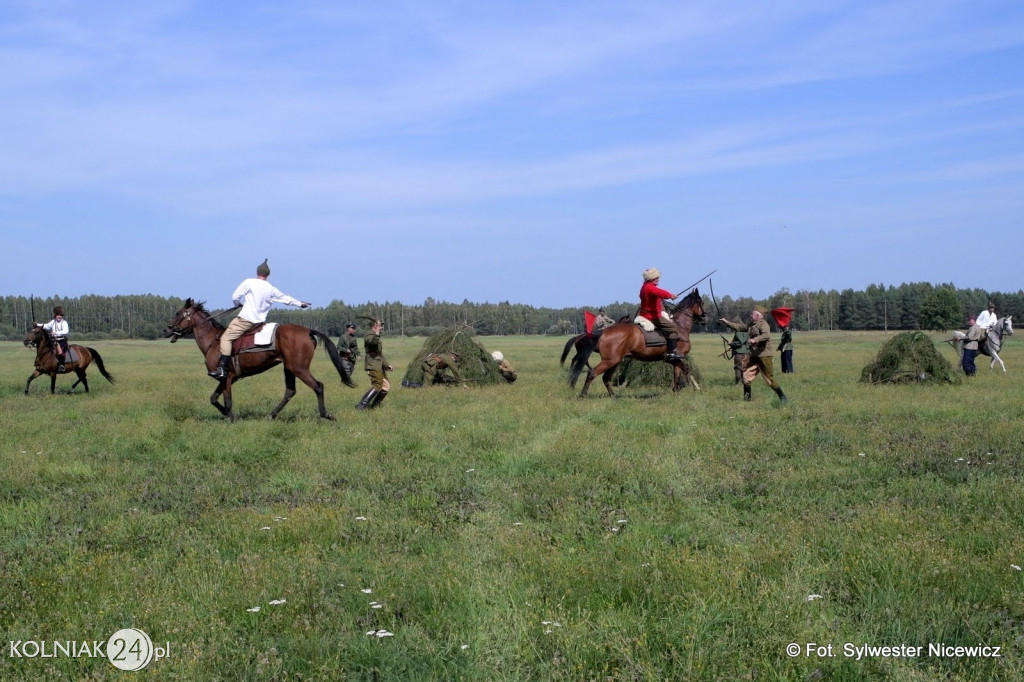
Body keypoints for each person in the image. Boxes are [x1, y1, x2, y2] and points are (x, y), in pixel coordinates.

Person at [209, 259, 311, 379]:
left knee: (226, 338)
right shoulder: (271, 288)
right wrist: (300, 304)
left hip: (245, 320)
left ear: (257, 272)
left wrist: (237, 304)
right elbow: (285, 299)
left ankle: (222, 369)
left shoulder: (249, 282)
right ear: (267, 275)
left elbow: (235, 296)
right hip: (260, 324)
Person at [720, 307, 787, 402]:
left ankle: (782, 397)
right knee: (746, 376)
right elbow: (739, 327)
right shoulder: (751, 324)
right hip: (753, 355)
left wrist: (754, 340)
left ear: (758, 315)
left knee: (769, 379)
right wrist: (726, 322)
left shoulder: (763, 324)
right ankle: (747, 400)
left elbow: (766, 335)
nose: (751, 316)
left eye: (752, 314)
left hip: (763, 355)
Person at [639, 267, 681, 362]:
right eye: (656, 278)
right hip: (652, 316)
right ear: (651, 278)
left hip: (645, 314)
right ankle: (671, 353)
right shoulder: (650, 287)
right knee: (673, 329)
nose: (658, 279)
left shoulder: (644, 287)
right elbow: (659, 292)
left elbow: (656, 295)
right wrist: (670, 295)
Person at [357, 318, 393, 409]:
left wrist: (387, 365)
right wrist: (376, 333)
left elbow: (379, 354)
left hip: (378, 365)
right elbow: (372, 343)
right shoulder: (369, 334)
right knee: (377, 385)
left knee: (386, 386)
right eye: (380, 325)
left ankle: (374, 406)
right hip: (373, 365)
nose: (382, 327)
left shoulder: (375, 335)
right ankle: (362, 405)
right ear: (375, 326)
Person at [40, 306, 70, 372]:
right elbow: (46, 326)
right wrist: (37, 324)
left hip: (61, 341)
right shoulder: (53, 322)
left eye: (61, 315)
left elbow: (65, 331)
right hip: (53, 341)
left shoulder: (64, 323)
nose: (59, 316)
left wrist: (55, 333)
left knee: (60, 352)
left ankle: (61, 365)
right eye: (58, 315)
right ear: (55, 315)